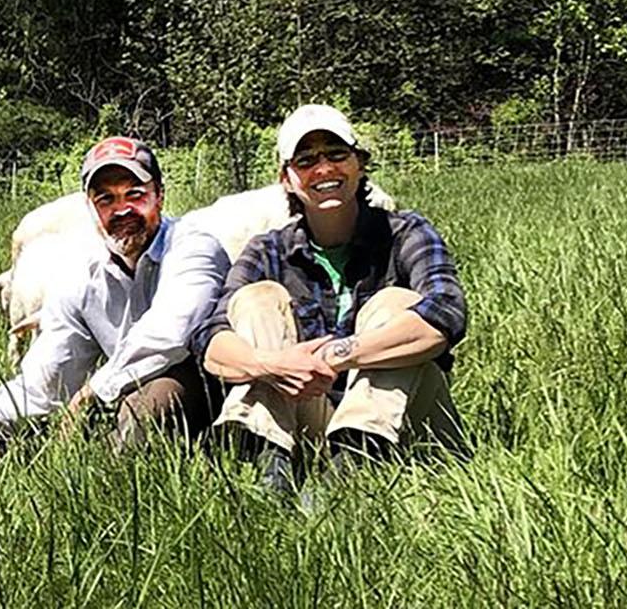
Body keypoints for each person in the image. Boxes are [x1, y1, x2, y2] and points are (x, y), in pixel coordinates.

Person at [0, 136, 229, 473]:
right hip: (113, 394)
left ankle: (105, 490)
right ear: (90, 207)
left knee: (150, 403)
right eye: (106, 199)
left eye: (135, 194)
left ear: (159, 195)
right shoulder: (83, 274)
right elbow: (49, 376)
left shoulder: (193, 247)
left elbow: (169, 336)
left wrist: (92, 392)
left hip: (200, 388)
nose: (122, 210)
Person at [199, 104, 468, 494]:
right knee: (257, 298)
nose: (323, 169)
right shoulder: (267, 250)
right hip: (311, 417)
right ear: (287, 179)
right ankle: (272, 471)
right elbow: (211, 342)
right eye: (306, 160)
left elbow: (446, 314)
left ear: (359, 164)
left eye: (337, 154)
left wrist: (336, 355)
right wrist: (274, 364)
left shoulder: (406, 233)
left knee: (394, 304)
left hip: (408, 421)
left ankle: (348, 475)